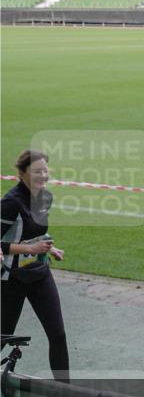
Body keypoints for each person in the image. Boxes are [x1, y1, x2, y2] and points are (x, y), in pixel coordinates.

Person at [1, 150, 69, 381]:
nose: (43, 175)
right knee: (3, 335)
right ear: (22, 173)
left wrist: (50, 247)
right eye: (37, 171)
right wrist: (29, 250)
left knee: (57, 334)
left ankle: (65, 391)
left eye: (45, 171)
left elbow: (36, 233)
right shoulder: (10, 203)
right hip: (11, 278)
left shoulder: (46, 197)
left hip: (39, 273)